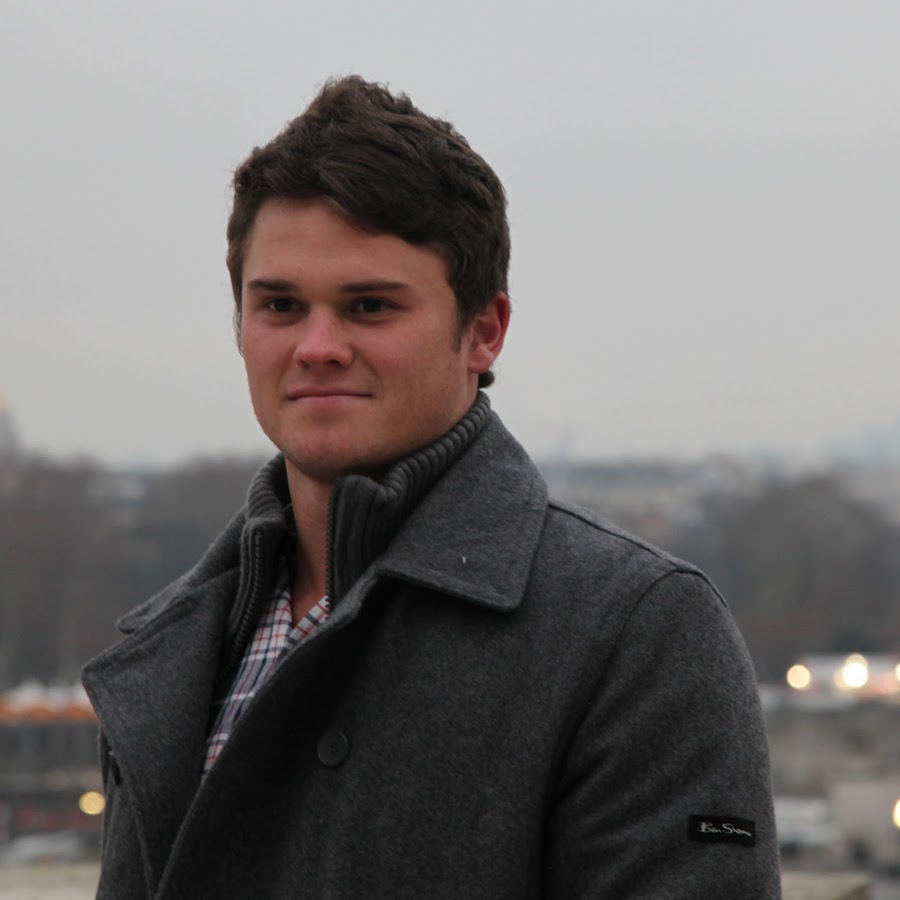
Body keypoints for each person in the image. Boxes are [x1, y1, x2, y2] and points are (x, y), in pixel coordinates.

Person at [82, 76, 781, 899]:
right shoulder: (180, 639)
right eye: (280, 305)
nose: (317, 346)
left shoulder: (636, 630)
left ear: (484, 331)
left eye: (369, 306)